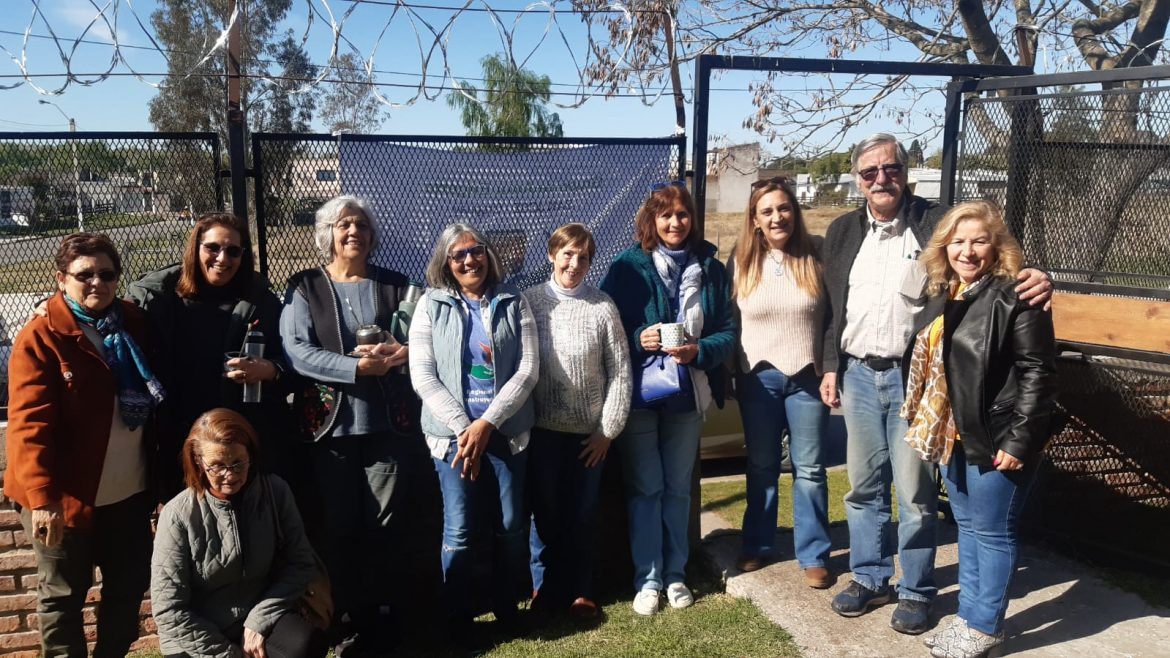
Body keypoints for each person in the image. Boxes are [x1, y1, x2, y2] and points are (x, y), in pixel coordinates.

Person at [820, 133, 1053, 635]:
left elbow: (991, 262)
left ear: (904, 171)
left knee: (916, 495)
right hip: (859, 373)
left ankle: (916, 589)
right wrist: (831, 365)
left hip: (918, 386)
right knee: (862, 488)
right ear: (858, 180)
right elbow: (831, 309)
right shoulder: (840, 232)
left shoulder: (935, 223)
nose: (881, 179)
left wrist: (1037, 276)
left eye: (891, 169)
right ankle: (869, 577)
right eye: (869, 173)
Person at [905, 201, 1057, 658]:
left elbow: (1038, 372)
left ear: (997, 247)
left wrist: (1020, 439)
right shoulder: (948, 293)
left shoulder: (1018, 294)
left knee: (992, 532)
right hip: (955, 432)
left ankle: (985, 625)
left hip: (998, 435)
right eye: (958, 241)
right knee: (968, 529)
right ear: (944, 246)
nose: (967, 250)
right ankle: (969, 618)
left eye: (979, 240)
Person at [5, 233, 163, 657]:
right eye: (84, 274)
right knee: (62, 596)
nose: (97, 283)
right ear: (61, 279)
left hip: (128, 493)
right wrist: (42, 498)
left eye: (107, 274)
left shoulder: (133, 323)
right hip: (64, 498)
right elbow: (29, 425)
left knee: (127, 590)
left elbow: (174, 280)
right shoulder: (41, 337)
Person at [280, 195, 422, 655]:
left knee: (388, 525)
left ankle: (385, 617)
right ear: (328, 235)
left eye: (361, 224)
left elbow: (423, 338)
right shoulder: (305, 287)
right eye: (343, 225)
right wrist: (355, 369)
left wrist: (399, 355)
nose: (353, 232)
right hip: (330, 430)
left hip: (389, 426)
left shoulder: (396, 285)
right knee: (339, 529)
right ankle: (344, 619)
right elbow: (296, 351)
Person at [600, 181, 737, 616]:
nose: (675, 222)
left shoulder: (711, 268)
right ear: (651, 221)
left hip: (689, 393)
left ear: (692, 219)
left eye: (682, 214)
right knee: (645, 489)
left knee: (678, 490)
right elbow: (608, 329)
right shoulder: (627, 266)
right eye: (665, 215)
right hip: (640, 393)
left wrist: (700, 350)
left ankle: (676, 574)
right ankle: (648, 578)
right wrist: (639, 338)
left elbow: (728, 332)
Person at [408, 223, 539, 642]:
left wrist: (488, 423)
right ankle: (458, 614)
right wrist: (466, 429)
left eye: (476, 251)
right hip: (452, 440)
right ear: (446, 264)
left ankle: (507, 606)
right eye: (459, 255)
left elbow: (528, 369)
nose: (470, 260)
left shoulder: (513, 301)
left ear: (488, 254)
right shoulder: (430, 305)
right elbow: (423, 376)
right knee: (460, 529)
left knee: (511, 524)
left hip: (506, 434)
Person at [126, 212, 291, 496]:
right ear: (195, 248)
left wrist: (270, 369)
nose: (222, 258)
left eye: (233, 251)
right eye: (212, 247)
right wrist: (53, 305)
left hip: (238, 432)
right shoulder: (157, 296)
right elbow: (103, 311)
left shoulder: (260, 299)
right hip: (176, 431)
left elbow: (292, 359)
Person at [151, 408, 327, 658]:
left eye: (238, 463)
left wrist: (258, 620)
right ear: (199, 462)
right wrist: (228, 654)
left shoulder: (275, 492)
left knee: (305, 643)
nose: (230, 475)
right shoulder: (177, 514)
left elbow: (300, 563)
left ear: (251, 456)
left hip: (255, 612)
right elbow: (169, 610)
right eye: (217, 466)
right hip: (196, 629)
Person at [522, 223, 632, 620]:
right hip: (542, 433)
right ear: (552, 255)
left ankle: (582, 592)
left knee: (584, 515)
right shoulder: (529, 303)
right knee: (545, 515)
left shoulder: (603, 307)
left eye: (583, 257)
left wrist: (607, 431)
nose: (575, 263)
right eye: (567, 254)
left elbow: (620, 372)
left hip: (590, 437)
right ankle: (543, 588)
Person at [729, 177, 832, 588]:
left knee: (809, 469)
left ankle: (814, 555)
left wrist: (829, 367)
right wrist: (732, 374)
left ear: (796, 211)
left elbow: (831, 318)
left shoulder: (817, 255)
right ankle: (756, 545)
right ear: (754, 219)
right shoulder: (738, 261)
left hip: (808, 378)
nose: (777, 217)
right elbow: (730, 322)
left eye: (783, 208)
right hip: (759, 379)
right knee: (761, 467)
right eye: (767, 211)